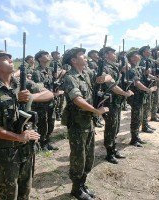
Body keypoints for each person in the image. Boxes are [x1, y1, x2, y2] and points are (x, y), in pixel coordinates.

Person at [0, 50, 54, 200]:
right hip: (6, 151)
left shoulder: (22, 84)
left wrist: (31, 97)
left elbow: (49, 94)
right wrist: (18, 137)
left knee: (25, 190)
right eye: (5, 59)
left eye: (10, 57)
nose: (10, 60)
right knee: (9, 193)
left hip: (27, 147)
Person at [61, 47, 109, 200]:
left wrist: (104, 78)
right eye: (82, 55)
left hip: (88, 122)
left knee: (89, 155)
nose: (85, 57)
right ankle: (76, 189)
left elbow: (107, 76)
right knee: (78, 156)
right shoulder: (70, 77)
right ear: (74, 60)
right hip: (77, 122)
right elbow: (77, 100)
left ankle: (82, 184)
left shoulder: (86, 73)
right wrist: (96, 110)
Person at [98, 47, 134, 164]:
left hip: (116, 101)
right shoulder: (103, 67)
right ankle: (109, 152)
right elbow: (112, 85)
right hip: (109, 101)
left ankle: (113, 148)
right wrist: (124, 93)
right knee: (111, 127)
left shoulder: (113, 66)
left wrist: (125, 62)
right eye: (112, 53)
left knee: (116, 126)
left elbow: (125, 69)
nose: (115, 54)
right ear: (106, 55)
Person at [32, 50, 62, 151]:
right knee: (42, 124)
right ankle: (42, 143)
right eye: (45, 54)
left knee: (51, 122)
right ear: (40, 58)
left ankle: (47, 141)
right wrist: (52, 94)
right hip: (41, 103)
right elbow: (39, 88)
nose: (48, 55)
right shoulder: (36, 72)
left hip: (51, 102)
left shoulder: (50, 70)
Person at [126, 51, 157, 147]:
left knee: (138, 117)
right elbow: (137, 83)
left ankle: (136, 137)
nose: (139, 55)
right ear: (132, 58)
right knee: (136, 118)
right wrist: (148, 90)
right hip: (135, 97)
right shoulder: (132, 70)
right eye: (136, 54)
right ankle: (134, 139)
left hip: (139, 96)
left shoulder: (137, 68)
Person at [138, 46, 158, 133]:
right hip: (144, 86)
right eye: (148, 50)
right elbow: (142, 74)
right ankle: (144, 126)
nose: (150, 51)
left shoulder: (147, 60)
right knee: (145, 107)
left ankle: (145, 124)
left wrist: (153, 77)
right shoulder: (142, 61)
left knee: (147, 106)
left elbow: (148, 74)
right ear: (144, 52)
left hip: (148, 84)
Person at [50, 51, 65, 121]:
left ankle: (60, 112)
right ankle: (57, 113)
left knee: (62, 99)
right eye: (57, 54)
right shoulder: (53, 63)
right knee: (57, 99)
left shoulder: (60, 62)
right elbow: (56, 73)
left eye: (59, 53)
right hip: (56, 82)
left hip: (61, 82)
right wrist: (63, 71)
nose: (59, 55)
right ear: (53, 55)